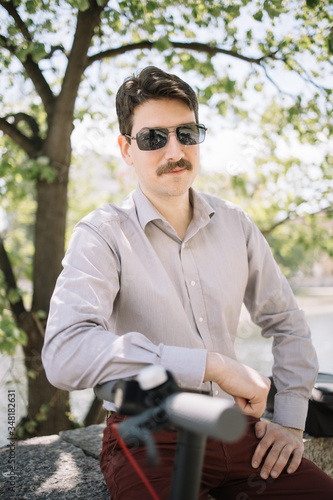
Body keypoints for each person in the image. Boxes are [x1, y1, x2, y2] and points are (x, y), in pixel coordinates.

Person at [42, 66, 333, 499]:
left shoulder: (236, 224)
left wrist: (290, 421)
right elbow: (64, 352)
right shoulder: (102, 233)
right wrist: (210, 365)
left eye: (186, 132)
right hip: (149, 434)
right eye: (153, 138)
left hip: (240, 431)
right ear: (126, 148)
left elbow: (287, 322)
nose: (174, 149)